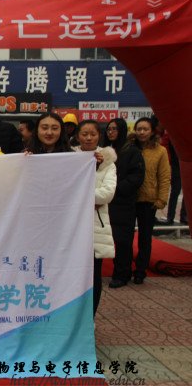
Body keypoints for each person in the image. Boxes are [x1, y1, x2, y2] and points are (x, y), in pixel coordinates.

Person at [73, 120, 117, 316]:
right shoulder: (69, 157)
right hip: (72, 225)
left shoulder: (108, 160)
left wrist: (80, 196)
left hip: (94, 226)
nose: (89, 138)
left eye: (93, 134)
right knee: (71, 275)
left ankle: (90, 318)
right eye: (84, 134)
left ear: (99, 136)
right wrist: (89, 198)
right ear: (77, 136)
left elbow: (107, 194)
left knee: (93, 275)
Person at [102, 118, 145, 289]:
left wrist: (114, 188)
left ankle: (122, 273)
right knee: (105, 238)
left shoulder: (131, 151)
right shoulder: (105, 150)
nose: (111, 132)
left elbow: (136, 177)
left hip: (123, 202)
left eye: (114, 129)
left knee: (122, 241)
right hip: (106, 202)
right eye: (109, 129)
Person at [131, 117, 170, 284]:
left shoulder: (160, 151)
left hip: (149, 200)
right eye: (139, 129)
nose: (141, 132)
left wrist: (162, 199)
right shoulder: (129, 148)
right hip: (129, 198)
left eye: (145, 129)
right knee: (125, 237)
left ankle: (140, 271)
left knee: (145, 238)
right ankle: (124, 268)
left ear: (152, 131)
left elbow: (164, 176)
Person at [157, 130, 187, 225]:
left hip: (186, 163)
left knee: (186, 192)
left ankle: (184, 217)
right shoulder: (171, 134)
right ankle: (170, 217)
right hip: (175, 165)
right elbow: (166, 148)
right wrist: (168, 164)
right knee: (175, 191)